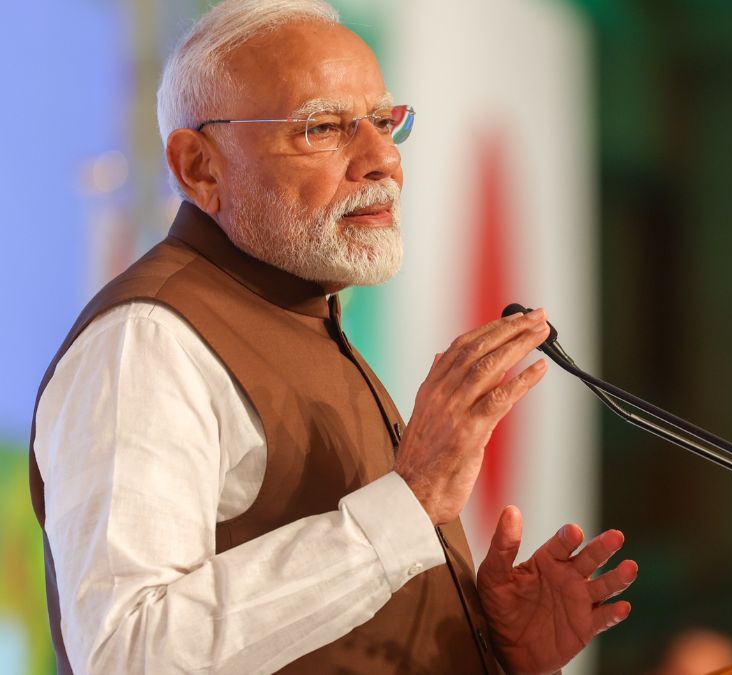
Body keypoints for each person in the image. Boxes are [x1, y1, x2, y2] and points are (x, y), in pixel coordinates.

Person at [28, 1, 636, 673]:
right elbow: (127, 653)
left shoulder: (306, 314)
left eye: (383, 121)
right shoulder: (148, 340)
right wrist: (409, 502)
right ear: (200, 167)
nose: (382, 159)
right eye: (323, 127)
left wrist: (489, 649)